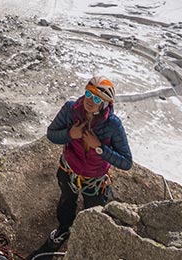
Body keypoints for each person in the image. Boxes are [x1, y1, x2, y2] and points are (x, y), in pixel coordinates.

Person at [43, 76, 132, 247]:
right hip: (69, 170)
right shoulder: (71, 109)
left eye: (97, 98)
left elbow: (126, 162)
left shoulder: (113, 125)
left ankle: (84, 241)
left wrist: (99, 148)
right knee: (66, 203)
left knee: (92, 211)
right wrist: (70, 134)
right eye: (88, 94)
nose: (90, 101)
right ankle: (64, 228)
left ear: (105, 104)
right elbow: (51, 134)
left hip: (95, 180)